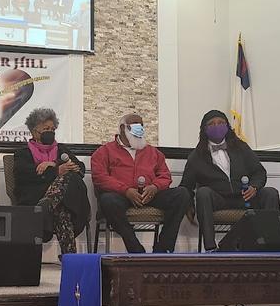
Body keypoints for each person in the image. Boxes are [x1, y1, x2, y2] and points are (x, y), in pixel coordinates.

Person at [180, 110, 280, 252]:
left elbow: (259, 172)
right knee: (203, 193)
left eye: (221, 123)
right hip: (219, 200)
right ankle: (211, 248)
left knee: (270, 193)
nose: (217, 126)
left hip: (245, 197)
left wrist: (254, 187)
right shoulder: (197, 156)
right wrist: (189, 206)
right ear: (204, 129)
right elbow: (186, 186)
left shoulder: (241, 147)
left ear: (227, 126)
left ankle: (270, 245)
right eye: (212, 124)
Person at [91, 114, 190, 253]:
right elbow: (100, 177)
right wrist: (126, 190)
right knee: (108, 200)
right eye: (134, 124)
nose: (139, 128)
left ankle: (163, 248)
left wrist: (155, 187)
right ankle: (135, 249)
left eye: (141, 125)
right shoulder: (104, 151)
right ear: (122, 128)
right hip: (121, 196)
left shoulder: (153, 152)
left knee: (182, 194)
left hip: (149, 195)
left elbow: (165, 176)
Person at [13, 108, 89, 254]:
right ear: (35, 132)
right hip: (35, 198)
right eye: (46, 129)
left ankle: (47, 205)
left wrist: (53, 163)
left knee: (69, 176)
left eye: (52, 129)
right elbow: (25, 175)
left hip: (58, 203)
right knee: (61, 211)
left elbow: (80, 168)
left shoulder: (61, 149)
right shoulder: (22, 153)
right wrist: (56, 171)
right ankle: (70, 259)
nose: (50, 132)